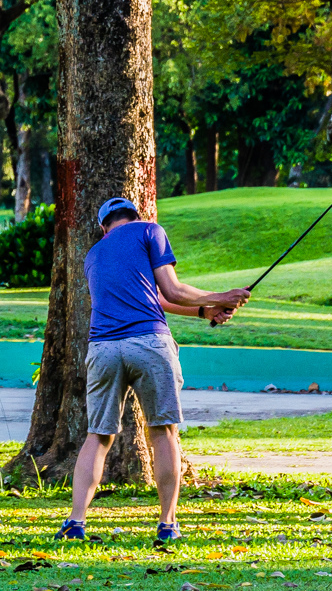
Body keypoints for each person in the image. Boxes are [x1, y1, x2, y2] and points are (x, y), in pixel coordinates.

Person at [55, 197, 251, 542]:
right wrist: (222, 295)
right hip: (148, 343)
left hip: (103, 349)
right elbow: (172, 289)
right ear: (134, 217)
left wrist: (205, 311)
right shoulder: (150, 231)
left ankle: (75, 523)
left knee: (97, 436)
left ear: (104, 226)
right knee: (163, 432)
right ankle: (167, 524)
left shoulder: (95, 254)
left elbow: (153, 297)